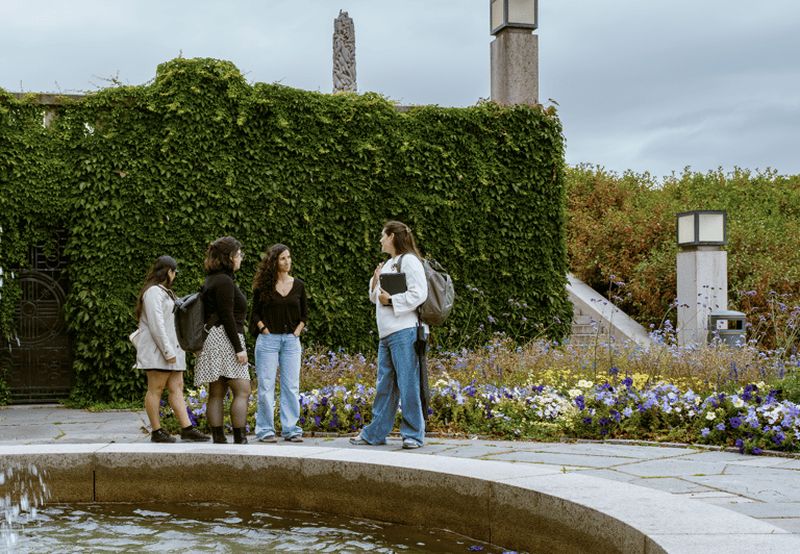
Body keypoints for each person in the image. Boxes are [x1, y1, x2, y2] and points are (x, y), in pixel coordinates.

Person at [350, 221, 428, 449]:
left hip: (405, 331)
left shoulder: (410, 261)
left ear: (393, 236)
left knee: (408, 383)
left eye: (383, 236)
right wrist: (374, 283)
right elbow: (376, 297)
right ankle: (375, 433)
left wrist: (392, 300)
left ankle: (413, 434)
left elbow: (419, 293)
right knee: (385, 384)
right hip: (387, 334)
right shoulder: (388, 264)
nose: (380, 240)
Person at [133, 255, 209, 443]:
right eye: (174, 272)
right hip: (159, 352)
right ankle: (156, 431)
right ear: (169, 272)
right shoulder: (153, 293)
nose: (175, 276)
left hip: (173, 351)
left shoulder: (166, 293)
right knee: (156, 389)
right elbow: (157, 325)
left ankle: (187, 428)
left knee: (177, 388)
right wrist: (168, 352)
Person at [194, 237, 252, 444]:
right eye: (238, 254)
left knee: (217, 392)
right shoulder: (225, 281)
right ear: (229, 257)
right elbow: (227, 315)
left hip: (211, 338)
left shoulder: (211, 279)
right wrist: (239, 348)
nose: (241, 258)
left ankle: (218, 437)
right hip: (226, 338)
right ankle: (240, 438)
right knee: (242, 389)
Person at [250, 244, 308, 443]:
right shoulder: (263, 286)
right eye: (283, 258)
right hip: (268, 341)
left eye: (289, 257)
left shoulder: (298, 285)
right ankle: (265, 429)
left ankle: (291, 429)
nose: (287, 261)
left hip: (291, 342)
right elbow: (255, 312)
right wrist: (264, 329)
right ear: (274, 261)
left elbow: (304, 314)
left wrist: (297, 332)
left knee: (291, 386)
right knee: (266, 386)